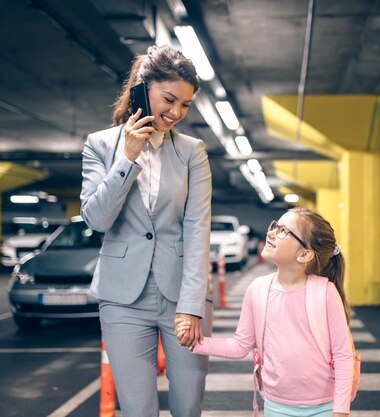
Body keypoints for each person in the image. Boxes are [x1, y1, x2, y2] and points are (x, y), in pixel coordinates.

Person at [80, 44, 212, 417]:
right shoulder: (100, 145)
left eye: (185, 105)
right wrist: (128, 158)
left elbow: (197, 230)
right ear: (141, 86)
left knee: (188, 407)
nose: (175, 113)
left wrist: (191, 306)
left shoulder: (192, 151)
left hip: (181, 297)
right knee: (137, 410)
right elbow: (96, 219)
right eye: (169, 99)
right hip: (122, 298)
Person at [176, 207, 354, 417]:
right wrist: (195, 341)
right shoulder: (258, 289)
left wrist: (341, 411)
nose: (271, 232)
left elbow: (343, 355)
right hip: (276, 405)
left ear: (305, 254)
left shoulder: (325, 292)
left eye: (283, 231)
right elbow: (240, 345)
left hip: (323, 406)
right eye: (275, 226)